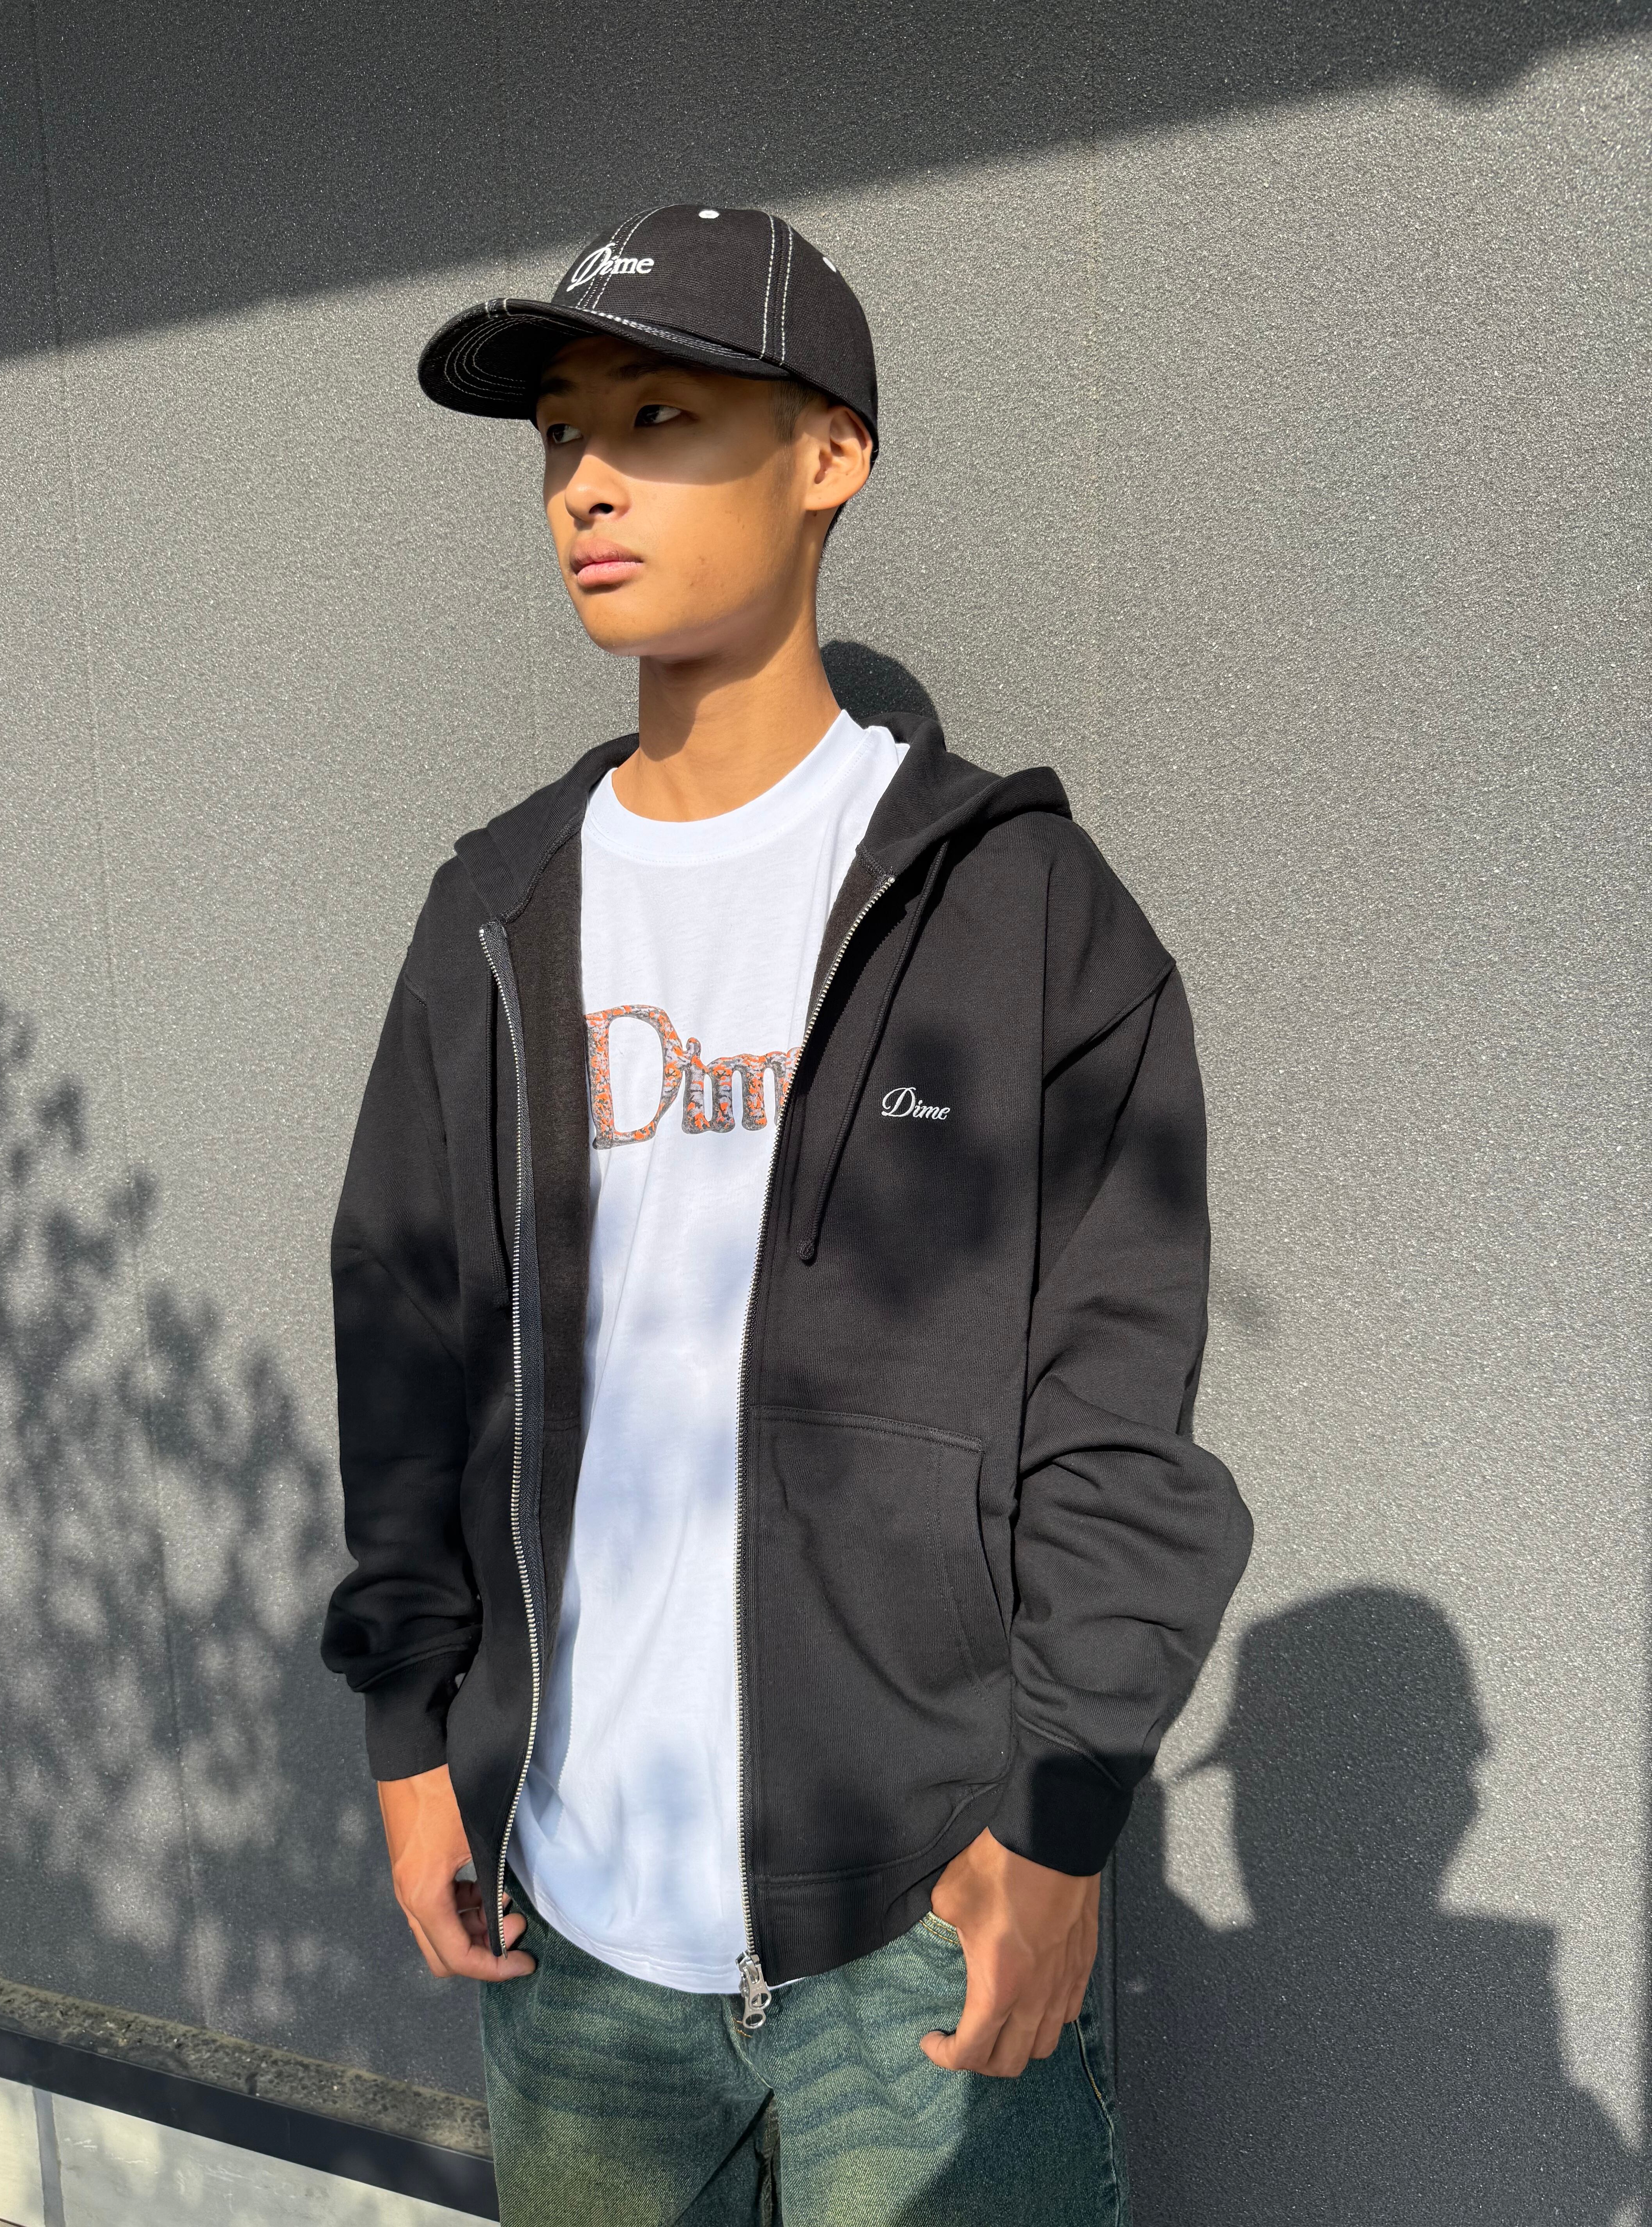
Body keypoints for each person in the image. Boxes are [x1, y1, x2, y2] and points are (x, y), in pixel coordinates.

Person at [321, 204, 1252, 2225]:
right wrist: (410, 1738)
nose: (585, 483)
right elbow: (403, 1335)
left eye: (656, 418)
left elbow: (1115, 1407)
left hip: (920, 1922)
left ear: (830, 454)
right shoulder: (495, 915)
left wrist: (1061, 1822)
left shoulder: (1017, 913)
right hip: (573, 1929)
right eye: (560, 434)